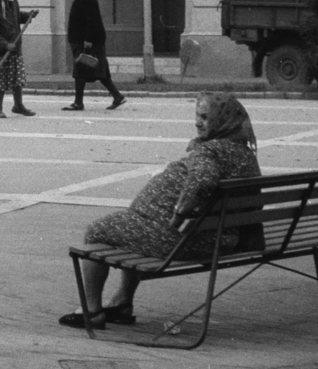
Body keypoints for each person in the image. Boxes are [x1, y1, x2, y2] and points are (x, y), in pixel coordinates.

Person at [61, 93, 262, 329]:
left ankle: (92, 311)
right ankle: (121, 303)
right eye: (198, 116)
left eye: (206, 118)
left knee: (98, 231)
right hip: (222, 237)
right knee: (128, 224)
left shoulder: (211, 151)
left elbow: (202, 182)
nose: (198, 122)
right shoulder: (243, 151)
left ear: (224, 121)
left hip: (188, 239)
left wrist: (179, 214)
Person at [64, 0, 126, 111]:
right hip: (84, 40)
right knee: (99, 70)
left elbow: (92, 21)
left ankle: (78, 103)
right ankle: (117, 96)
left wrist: (88, 41)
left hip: (86, 41)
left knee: (81, 70)